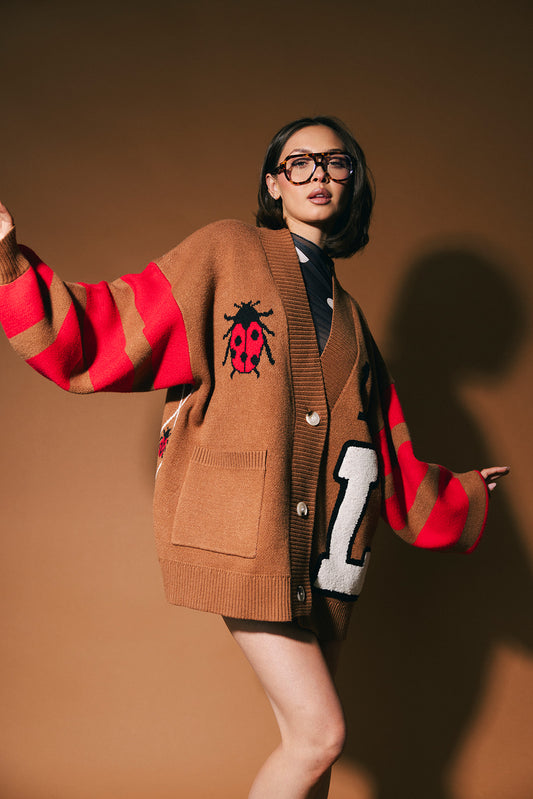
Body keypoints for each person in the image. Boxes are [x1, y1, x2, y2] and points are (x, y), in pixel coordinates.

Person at [0, 116, 509, 799]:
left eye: (335, 163)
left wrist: (461, 495)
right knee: (319, 734)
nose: (318, 175)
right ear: (274, 182)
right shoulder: (225, 251)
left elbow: (388, 449)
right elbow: (116, 324)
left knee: (312, 756)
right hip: (249, 536)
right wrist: (8, 267)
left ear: (352, 183)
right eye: (298, 162)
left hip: (328, 559)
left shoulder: (353, 321)